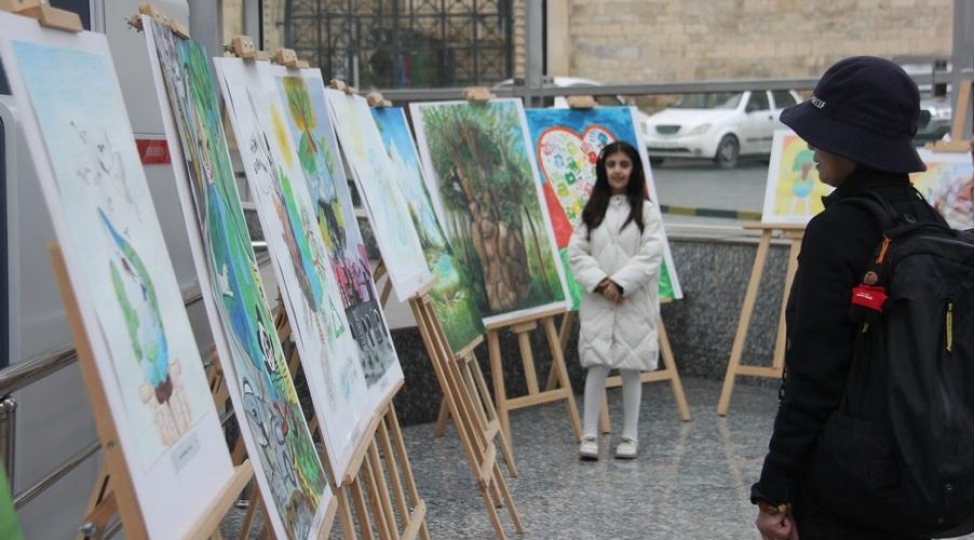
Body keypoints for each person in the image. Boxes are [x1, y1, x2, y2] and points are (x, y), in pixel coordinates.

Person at [752, 56, 947, 540]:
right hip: (920, 469)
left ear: (852, 143)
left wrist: (774, 489)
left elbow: (814, 376)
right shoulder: (929, 222)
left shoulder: (836, 231)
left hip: (845, 480)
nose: (812, 146)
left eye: (821, 134)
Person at [567, 140, 664, 461]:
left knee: (630, 368)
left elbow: (651, 255)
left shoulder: (647, 212)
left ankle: (629, 435)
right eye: (611, 165)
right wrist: (602, 283)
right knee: (596, 365)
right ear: (603, 169)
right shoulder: (592, 210)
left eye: (624, 164)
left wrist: (621, 284)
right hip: (598, 302)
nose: (618, 170)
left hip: (633, 303)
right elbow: (576, 252)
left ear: (634, 169)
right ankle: (589, 434)